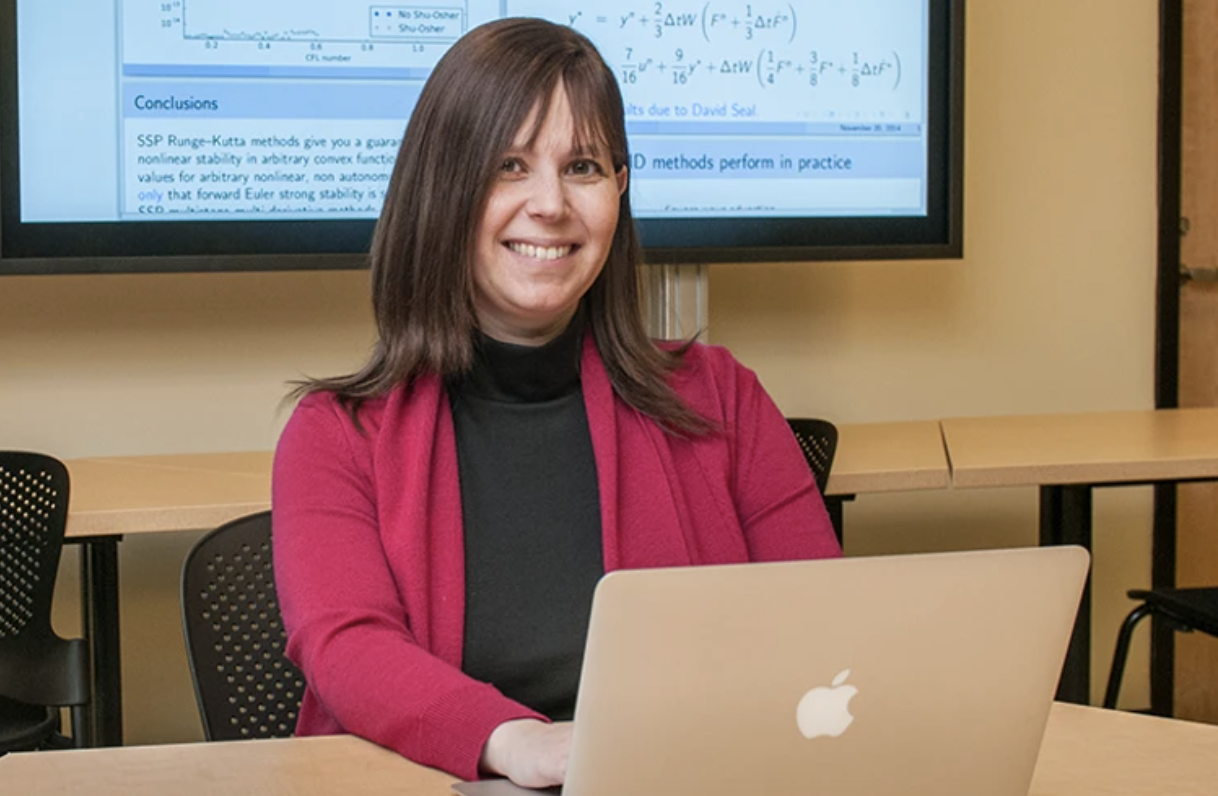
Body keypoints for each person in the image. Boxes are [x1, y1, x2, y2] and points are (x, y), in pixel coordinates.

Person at [271, 16, 840, 789]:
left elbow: (823, 625)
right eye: (509, 166)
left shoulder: (722, 397)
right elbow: (348, 642)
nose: (550, 204)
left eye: (582, 167)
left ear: (619, 190)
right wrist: (513, 742)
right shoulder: (336, 435)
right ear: (444, 189)